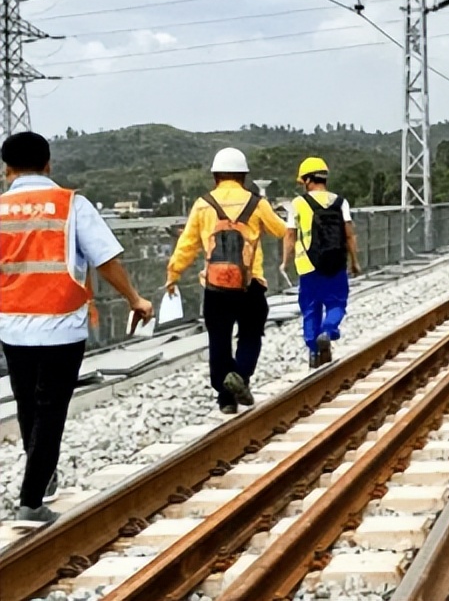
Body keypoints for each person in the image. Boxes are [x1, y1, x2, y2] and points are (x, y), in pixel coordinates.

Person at [1, 132, 154, 525]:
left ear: (7, 171)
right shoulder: (72, 204)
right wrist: (134, 298)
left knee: (27, 404)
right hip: (61, 326)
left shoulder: (1, 208)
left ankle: (41, 471)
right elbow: (106, 259)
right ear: (48, 164)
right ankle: (31, 501)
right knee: (51, 409)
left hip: (13, 327)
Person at [167, 148, 287, 414]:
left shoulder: (202, 204)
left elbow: (187, 245)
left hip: (215, 285)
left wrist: (173, 274)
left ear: (215, 176)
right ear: (244, 176)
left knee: (219, 340)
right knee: (251, 334)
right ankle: (241, 376)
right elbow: (281, 230)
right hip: (250, 283)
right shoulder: (257, 203)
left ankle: (225, 400)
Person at [282, 157, 360, 370]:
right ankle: (328, 331)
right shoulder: (340, 202)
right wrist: (354, 261)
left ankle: (314, 351)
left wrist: (285, 262)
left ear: (307, 180)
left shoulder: (297, 204)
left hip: (308, 266)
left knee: (310, 309)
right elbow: (350, 235)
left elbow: (290, 235)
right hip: (336, 263)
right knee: (336, 304)